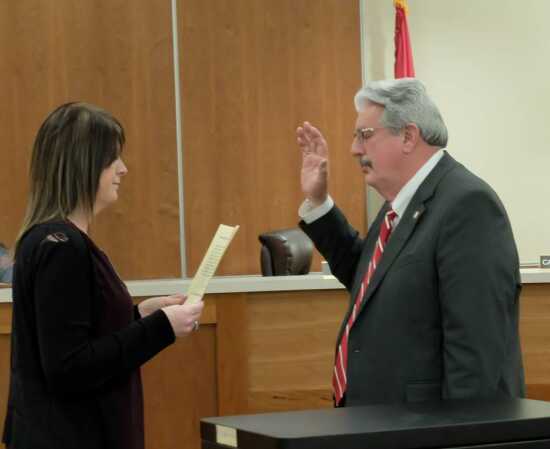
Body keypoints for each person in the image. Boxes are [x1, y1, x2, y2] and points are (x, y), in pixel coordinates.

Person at [296, 78, 525, 407]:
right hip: (385, 419)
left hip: (428, 423)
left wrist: (463, 429)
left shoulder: (468, 205)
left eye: (365, 135)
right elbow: (369, 280)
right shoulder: (400, 204)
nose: (355, 149)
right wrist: (319, 203)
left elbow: (476, 349)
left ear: (408, 136)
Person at [2, 102, 204, 449]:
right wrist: (162, 328)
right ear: (84, 165)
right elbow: (69, 367)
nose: (123, 169)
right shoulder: (63, 247)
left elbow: (75, 332)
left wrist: (138, 315)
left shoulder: (52, 240)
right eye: (113, 160)